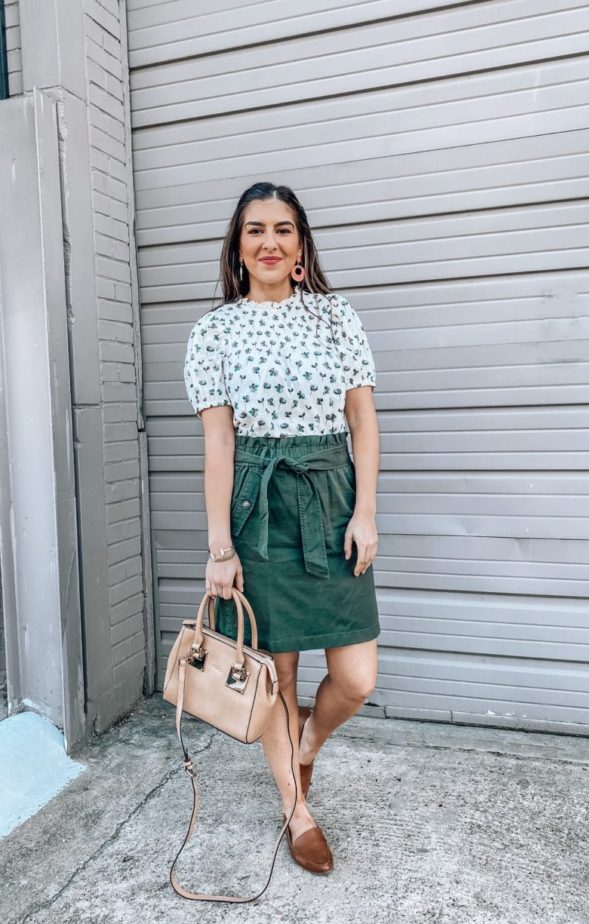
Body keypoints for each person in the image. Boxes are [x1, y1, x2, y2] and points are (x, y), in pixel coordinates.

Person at [183, 181, 380, 876]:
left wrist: (365, 512)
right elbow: (217, 449)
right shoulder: (213, 332)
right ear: (237, 249)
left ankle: (306, 746)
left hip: (329, 497)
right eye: (255, 230)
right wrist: (219, 549)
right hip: (257, 507)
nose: (270, 241)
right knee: (278, 675)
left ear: (301, 247)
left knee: (354, 676)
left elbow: (362, 423)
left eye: (284, 230)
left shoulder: (335, 316)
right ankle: (297, 810)